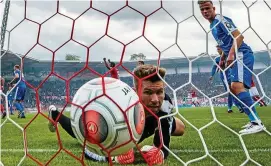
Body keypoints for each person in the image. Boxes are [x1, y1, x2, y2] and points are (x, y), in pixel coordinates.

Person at [47, 64, 185, 165]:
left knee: (180, 128)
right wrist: (112, 157)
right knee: (77, 132)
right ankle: (54, 114)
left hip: (146, 123)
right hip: (126, 125)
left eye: (159, 92)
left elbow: (163, 143)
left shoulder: (165, 101)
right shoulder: (124, 105)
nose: (155, 99)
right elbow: (88, 152)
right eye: (148, 92)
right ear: (135, 91)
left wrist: (160, 152)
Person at [198, 0, 265, 134]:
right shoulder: (212, 26)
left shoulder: (220, 19)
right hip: (234, 56)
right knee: (234, 89)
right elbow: (225, 45)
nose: (205, 11)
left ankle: (257, 122)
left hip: (241, 54)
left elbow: (239, 36)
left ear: (213, 8)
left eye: (207, 8)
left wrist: (231, 55)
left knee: (236, 87)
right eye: (202, 9)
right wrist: (223, 56)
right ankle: (253, 120)